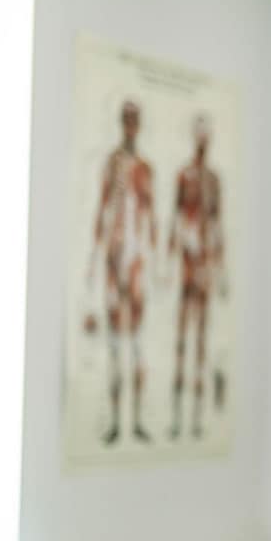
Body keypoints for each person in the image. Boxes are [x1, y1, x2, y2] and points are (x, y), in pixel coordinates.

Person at [86, 100, 158, 445]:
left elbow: (151, 216)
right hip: (115, 263)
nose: (131, 126)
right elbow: (102, 211)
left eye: (135, 120)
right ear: (122, 123)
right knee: (116, 343)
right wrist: (95, 262)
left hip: (136, 264)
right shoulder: (113, 164)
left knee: (139, 343)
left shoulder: (145, 168)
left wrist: (153, 262)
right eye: (127, 120)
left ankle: (139, 419)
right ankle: (116, 420)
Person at [167, 114, 227, 439]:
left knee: (201, 341)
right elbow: (175, 220)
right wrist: (168, 261)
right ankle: (178, 418)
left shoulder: (213, 181)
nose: (203, 140)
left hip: (204, 263)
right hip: (189, 262)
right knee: (181, 339)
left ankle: (196, 421)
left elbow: (217, 226)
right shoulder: (185, 176)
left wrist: (220, 268)